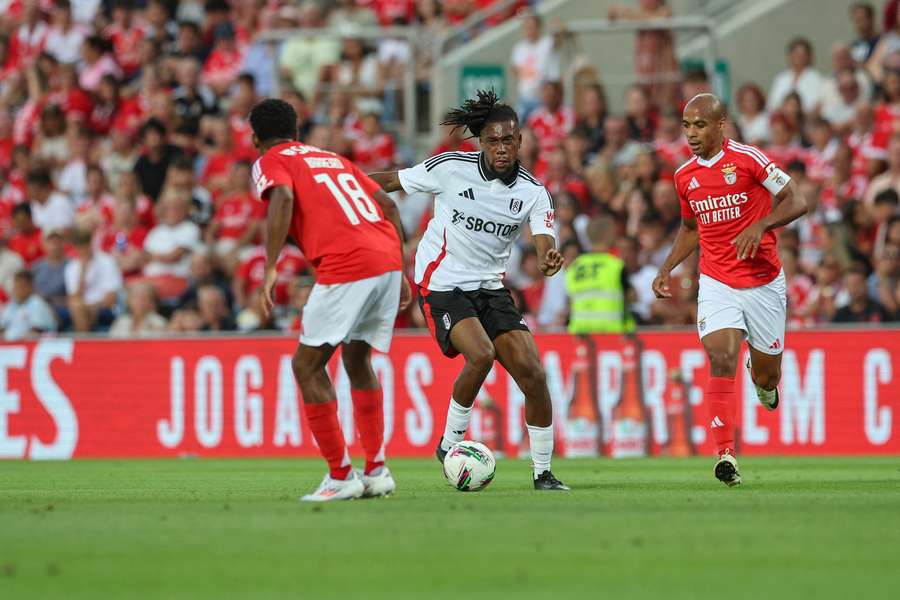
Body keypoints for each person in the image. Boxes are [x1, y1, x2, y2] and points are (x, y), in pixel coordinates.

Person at [369, 89, 570, 491]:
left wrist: (549, 257)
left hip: (489, 287)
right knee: (481, 354)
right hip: (441, 283)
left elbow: (545, 238)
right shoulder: (449, 167)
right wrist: (343, 192)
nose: (501, 148)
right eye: (492, 140)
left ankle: (543, 473)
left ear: (519, 141)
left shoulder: (532, 192)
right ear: (481, 142)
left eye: (508, 140)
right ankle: (450, 442)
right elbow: (389, 181)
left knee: (533, 374)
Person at [249, 98, 408, 502]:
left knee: (306, 365)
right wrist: (402, 269)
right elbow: (387, 204)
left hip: (347, 264)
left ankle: (341, 475)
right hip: (385, 257)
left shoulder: (271, 160)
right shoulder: (332, 158)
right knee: (357, 361)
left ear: (255, 139)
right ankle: (376, 471)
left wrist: (269, 266)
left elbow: (282, 199)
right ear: (297, 132)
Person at [652, 93, 810, 487]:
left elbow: (798, 200)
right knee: (721, 356)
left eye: (700, 125)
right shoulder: (684, 176)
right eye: (687, 126)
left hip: (763, 281)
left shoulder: (749, 159)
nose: (691, 134)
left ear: (721, 125)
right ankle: (726, 455)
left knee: (768, 378)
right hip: (717, 281)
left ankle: (762, 376)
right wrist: (667, 267)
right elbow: (691, 229)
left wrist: (762, 225)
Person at [566, 215, 634, 334]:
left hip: (580, 333)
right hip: (611, 333)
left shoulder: (575, 266)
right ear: (607, 236)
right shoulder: (615, 265)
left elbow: (571, 302)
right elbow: (632, 297)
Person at [0, 270, 57, 340]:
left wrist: (17, 340)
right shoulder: (10, 305)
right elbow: (2, 328)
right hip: (10, 345)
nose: (19, 289)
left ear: (31, 287)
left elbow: (37, 331)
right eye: (17, 286)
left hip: (33, 346)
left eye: (22, 286)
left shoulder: (37, 303)